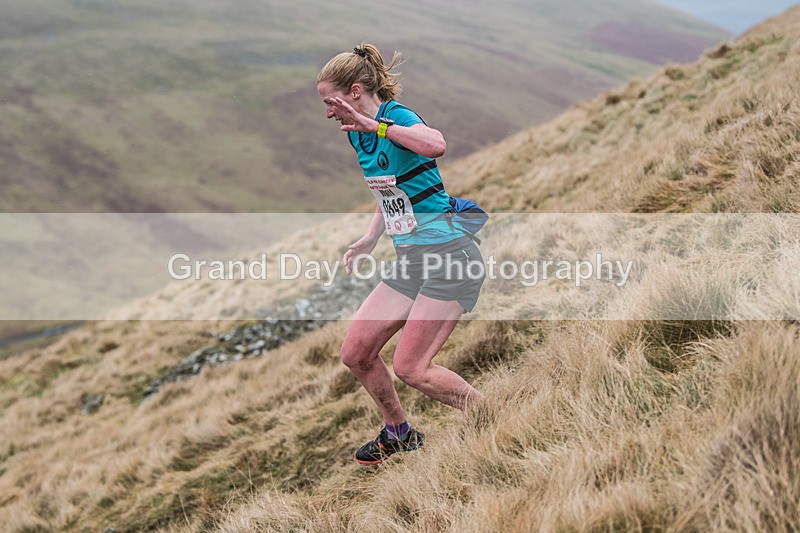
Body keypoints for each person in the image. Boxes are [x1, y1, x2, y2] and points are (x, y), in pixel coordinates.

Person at [317, 43, 485, 465]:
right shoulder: (358, 135)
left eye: (330, 101)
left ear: (355, 91)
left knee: (412, 368)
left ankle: (497, 417)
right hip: (412, 260)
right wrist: (372, 235)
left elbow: (435, 145)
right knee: (355, 352)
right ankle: (399, 433)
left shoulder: (396, 118)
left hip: (448, 256)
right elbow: (390, 188)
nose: (327, 113)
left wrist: (375, 125)